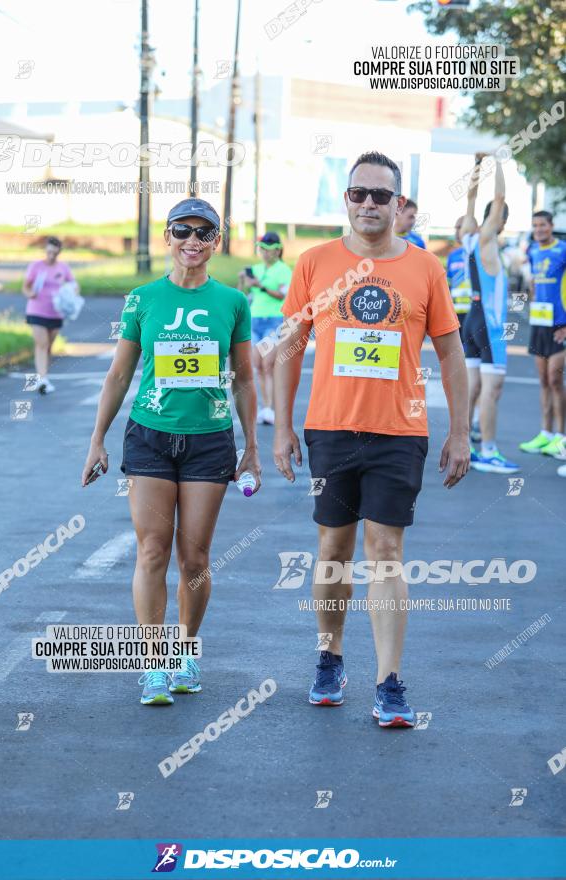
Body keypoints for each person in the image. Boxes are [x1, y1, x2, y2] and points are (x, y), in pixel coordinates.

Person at [273, 150, 469, 727]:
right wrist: (282, 426)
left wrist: (460, 433)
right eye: (358, 194)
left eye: (380, 196)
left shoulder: (425, 268)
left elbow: (451, 351)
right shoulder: (315, 262)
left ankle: (389, 681)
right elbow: (290, 344)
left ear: (399, 204)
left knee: (386, 553)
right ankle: (330, 659)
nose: (367, 204)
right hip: (331, 429)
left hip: (398, 431)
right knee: (333, 551)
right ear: (346, 200)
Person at [81, 198, 261, 706]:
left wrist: (252, 448)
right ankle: (153, 664)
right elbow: (119, 374)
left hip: (209, 441)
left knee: (195, 556)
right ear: (167, 236)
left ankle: (185, 650)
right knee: (152, 549)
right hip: (150, 436)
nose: (192, 242)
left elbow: (245, 379)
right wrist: (97, 438)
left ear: (216, 243)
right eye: (183, 231)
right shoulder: (142, 299)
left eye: (204, 234)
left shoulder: (232, 302)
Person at [459, 153, 519, 474]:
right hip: (490, 326)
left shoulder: (467, 235)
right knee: (492, 391)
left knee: (473, 388)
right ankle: (489, 451)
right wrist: (498, 162)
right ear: (501, 222)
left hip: (471, 321)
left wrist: (477, 165)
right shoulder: (486, 239)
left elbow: (471, 199)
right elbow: (499, 197)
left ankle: (465, 444)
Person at [519, 211, 566, 459]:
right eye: (535, 225)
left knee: (556, 380)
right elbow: (535, 284)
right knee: (544, 381)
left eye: (543, 225)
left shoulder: (563, 249)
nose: (539, 229)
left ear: (551, 226)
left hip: (560, 324)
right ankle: (545, 433)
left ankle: (561, 437)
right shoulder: (533, 251)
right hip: (540, 323)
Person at [238, 232, 292, 425]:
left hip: (274, 321)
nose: (264, 254)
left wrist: (260, 286)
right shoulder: (255, 268)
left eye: (268, 250)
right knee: (258, 367)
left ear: (277, 250)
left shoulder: (284, 270)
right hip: (254, 319)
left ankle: (271, 408)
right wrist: (244, 281)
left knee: (268, 365)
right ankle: (265, 406)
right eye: (261, 250)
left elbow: (281, 295)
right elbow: (242, 294)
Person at [22, 236, 78, 394]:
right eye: (48, 252)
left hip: (56, 313)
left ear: (59, 252)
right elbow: (25, 287)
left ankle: (44, 376)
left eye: (54, 253)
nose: (51, 255)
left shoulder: (63, 268)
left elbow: (73, 285)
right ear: (45, 250)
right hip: (36, 310)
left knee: (48, 348)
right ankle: (43, 380)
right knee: (42, 344)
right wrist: (30, 293)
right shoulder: (36, 266)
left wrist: (72, 294)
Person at [447, 216, 481, 443]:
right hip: (455, 318)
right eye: (456, 226)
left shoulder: (477, 250)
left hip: (474, 315)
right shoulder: (452, 256)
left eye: (462, 226)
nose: (458, 230)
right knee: (458, 368)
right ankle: (459, 421)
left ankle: (475, 419)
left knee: (474, 372)